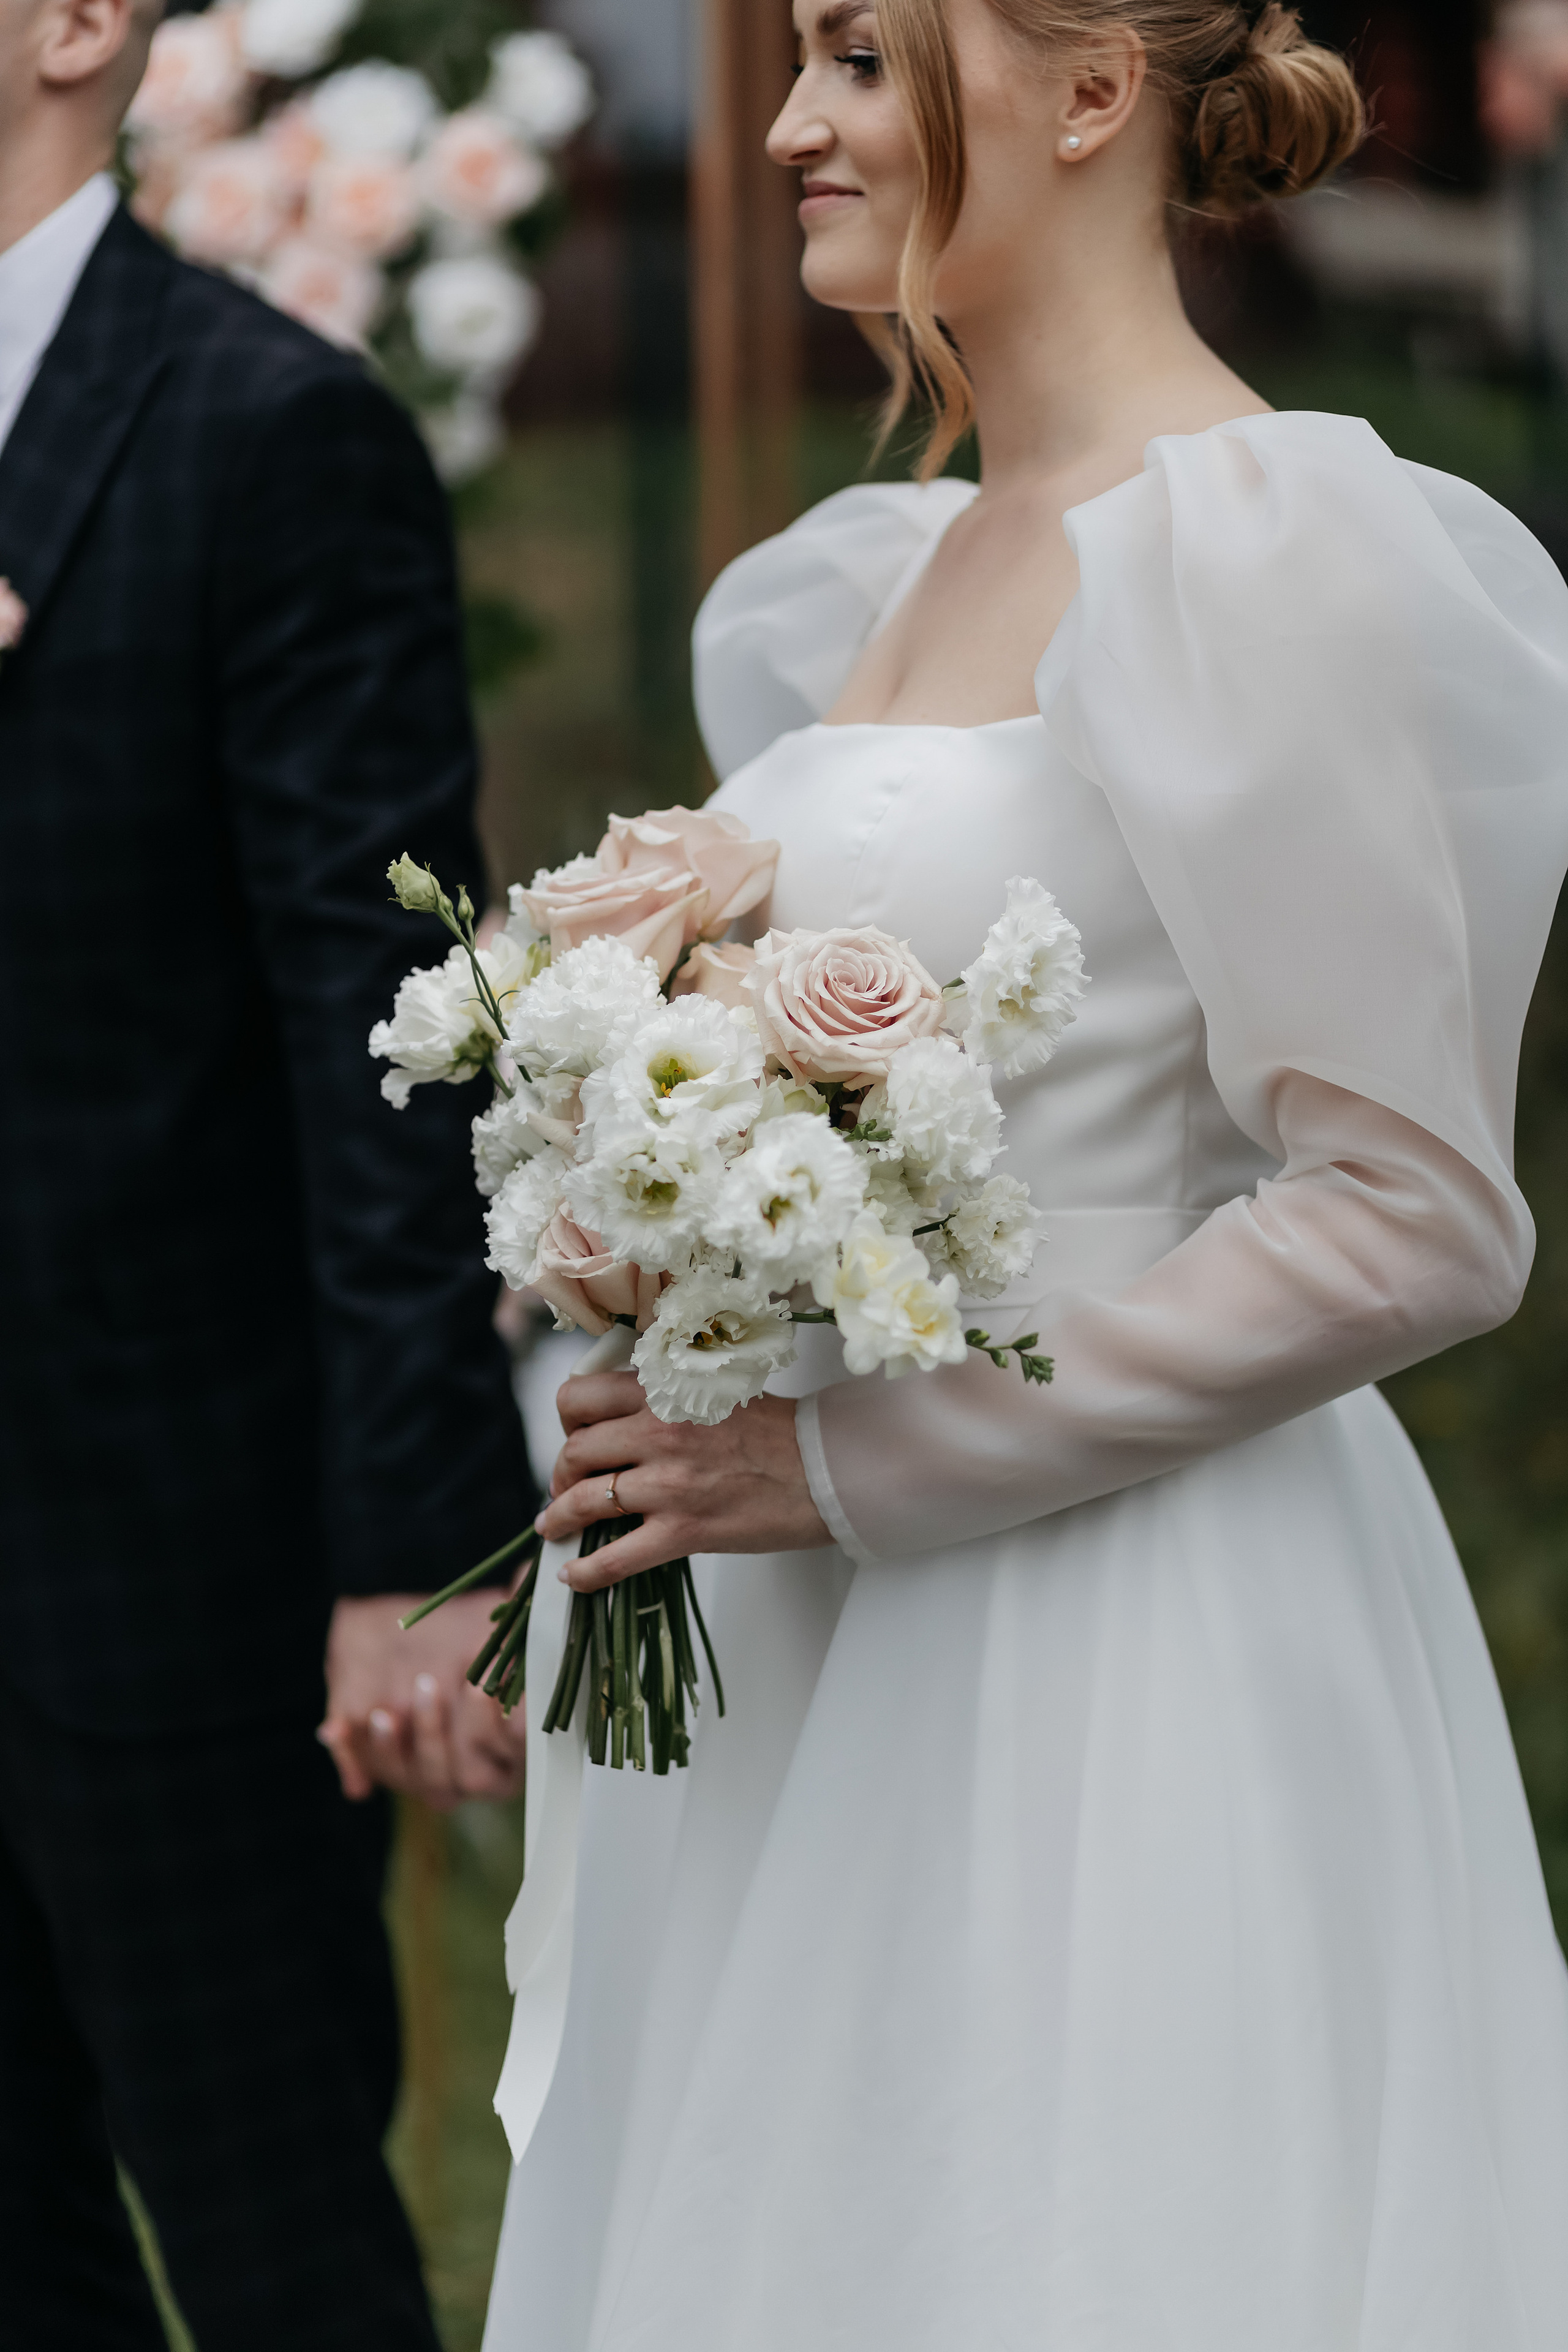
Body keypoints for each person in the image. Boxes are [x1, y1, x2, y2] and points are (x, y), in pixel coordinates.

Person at [482, 1, 1568, 2345]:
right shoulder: (892, 556)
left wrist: (872, 1457)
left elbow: (1415, 1210)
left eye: (863, 59)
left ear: (1085, 96)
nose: (785, 124)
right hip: (798, 1653)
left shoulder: (1262, 549)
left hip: (1105, 1657)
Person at [0, 1, 535, 2343]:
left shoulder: (271, 434)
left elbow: (389, 1049)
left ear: (75, 23)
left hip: (164, 1589)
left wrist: (411, 1549)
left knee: (286, 2261)